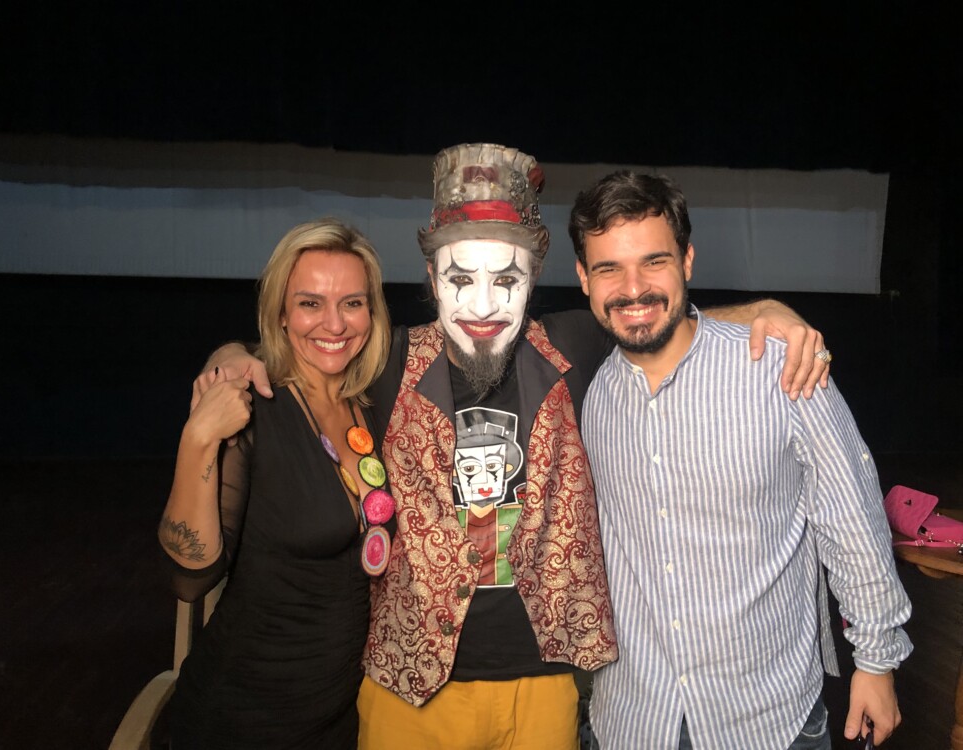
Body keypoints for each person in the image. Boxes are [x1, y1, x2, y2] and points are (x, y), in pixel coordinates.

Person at [199, 143, 832, 750]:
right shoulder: (388, 361)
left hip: (544, 684)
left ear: (534, 279)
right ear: (431, 278)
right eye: (460, 278)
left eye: (506, 278)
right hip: (410, 685)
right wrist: (230, 356)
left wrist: (768, 311)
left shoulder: (573, 347)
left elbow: (654, 316)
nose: (482, 305)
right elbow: (311, 350)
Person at [570, 170, 912, 749]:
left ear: (687, 261)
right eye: (608, 268)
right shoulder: (591, 393)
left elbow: (852, 521)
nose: (633, 288)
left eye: (654, 261)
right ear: (583, 278)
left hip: (766, 719)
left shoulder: (782, 370)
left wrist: (876, 662)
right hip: (632, 718)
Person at [158, 218, 394, 749]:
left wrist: (227, 352)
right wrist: (198, 438)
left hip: (340, 716)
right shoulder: (255, 410)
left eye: (352, 303)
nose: (334, 324)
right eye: (310, 303)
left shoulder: (373, 402)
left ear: (372, 312)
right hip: (245, 720)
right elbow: (190, 580)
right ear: (281, 314)